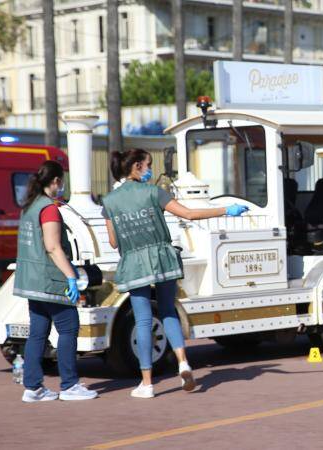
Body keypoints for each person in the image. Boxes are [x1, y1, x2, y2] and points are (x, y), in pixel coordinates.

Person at [102, 149, 248, 399]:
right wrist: (227, 210)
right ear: (137, 166)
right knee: (168, 310)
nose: (150, 170)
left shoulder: (109, 201)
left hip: (134, 263)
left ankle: (147, 383)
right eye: (148, 165)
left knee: (143, 321)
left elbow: (114, 242)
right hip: (162, 257)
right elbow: (189, 214)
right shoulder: (153, 192)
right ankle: (183, 362)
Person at [14, 161, 98, 402]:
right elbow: (52, 246)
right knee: (68, 327)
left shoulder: (29, 206)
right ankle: (69, 385)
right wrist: (71, 276)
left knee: (37, 333)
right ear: (56, 181)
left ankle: (33, 388)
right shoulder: (48, 209)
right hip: (50, 279)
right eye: (62, 182)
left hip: (30, 280)